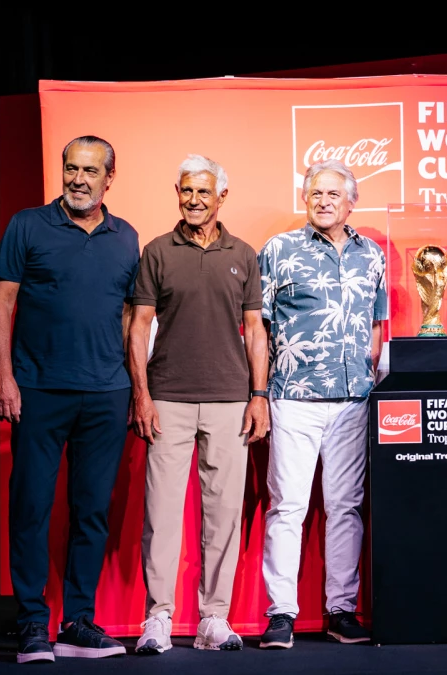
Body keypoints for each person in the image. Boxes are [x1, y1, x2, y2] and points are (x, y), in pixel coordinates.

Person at [0, 136, 138, 663]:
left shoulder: (127, 237)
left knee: (91, 510)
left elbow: (129, 317)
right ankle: (32, 622)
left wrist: (135, 388)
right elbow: (1, 300)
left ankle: (78, 622)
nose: (79, 179)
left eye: (90, 171)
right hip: (38, 390)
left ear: (109, 177)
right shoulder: (27, 225)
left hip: (106, 393)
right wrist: (3, 377)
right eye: (71, 168)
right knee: (30, 507)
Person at [128, 155, 270, 654]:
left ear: (221, 197)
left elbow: (255, 331)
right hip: (168, 398)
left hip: (232, 400)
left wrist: (259, 396)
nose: (193, 200)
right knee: (161, 514)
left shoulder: (244, 254)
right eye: (186, 191)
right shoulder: (157, 251)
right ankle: (158, 618)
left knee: (224, 514)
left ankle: (213, 619)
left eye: (203, 192)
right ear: (178, 192)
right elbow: (139, 326)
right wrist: (142, 395)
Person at [257, 159, 386, 649]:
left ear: (351, 201)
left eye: (334, 193)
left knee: (346, 508)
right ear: (306, 199)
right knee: (288, 507)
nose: (324, 201)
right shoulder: (279, 250)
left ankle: (341, 611)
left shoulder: (372, 254)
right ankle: (281, 614)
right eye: (316, 193)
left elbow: (376, 328)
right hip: (293, 399)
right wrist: (261, 392)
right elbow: (258, 327)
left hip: (354, 401)